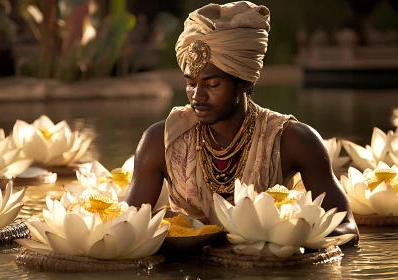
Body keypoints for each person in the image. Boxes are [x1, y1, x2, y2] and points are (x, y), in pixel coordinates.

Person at [125, 1, 359, 244]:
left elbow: (348, 229)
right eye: (190, 84)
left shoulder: (294, 139)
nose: (197, 96)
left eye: (212, 84)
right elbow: (127, 226)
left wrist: (287, 234)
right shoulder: (161, 140)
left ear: (245, 82)